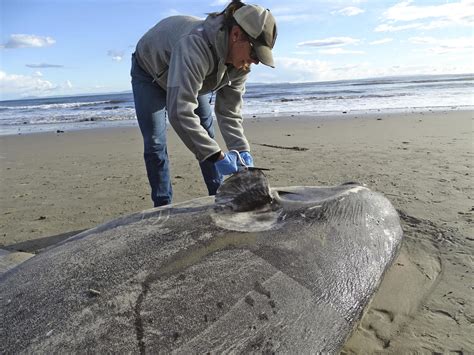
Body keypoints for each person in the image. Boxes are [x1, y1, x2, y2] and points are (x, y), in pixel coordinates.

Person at [131, 0, 277, 207]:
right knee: (155, 142)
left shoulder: (240, 65)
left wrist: (242, 150)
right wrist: (216, 156)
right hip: (150, 72)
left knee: (206, 133)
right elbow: (180, 112)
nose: (255, 61)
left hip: (196, 77)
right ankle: (162, 205)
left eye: (260, 58)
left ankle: (217, 195)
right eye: (255, 54)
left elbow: (229, 112)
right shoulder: (195, 45)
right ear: (236, 35)